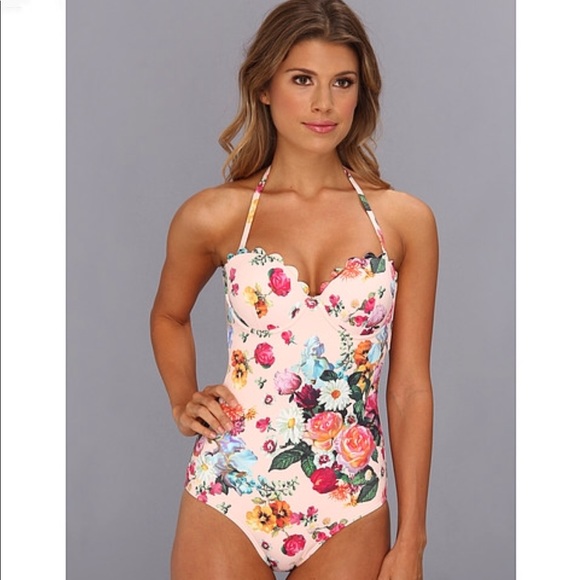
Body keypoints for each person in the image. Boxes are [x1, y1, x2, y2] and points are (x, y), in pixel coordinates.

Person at [150, 1, 437, 578]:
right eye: (302, 80)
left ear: (360, 93)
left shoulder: (404, 222)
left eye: (342, 82)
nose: (324, 103)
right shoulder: (216, 216)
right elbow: (169, 316)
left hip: (349, 502)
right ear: (264, 87)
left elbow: (409, 388)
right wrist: (183, 399)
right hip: (229, 490)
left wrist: (412, 540)